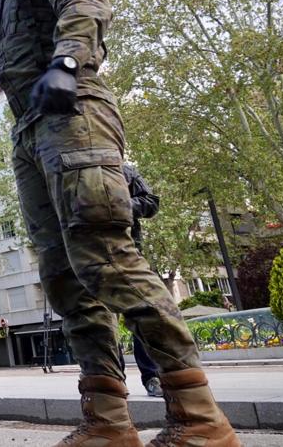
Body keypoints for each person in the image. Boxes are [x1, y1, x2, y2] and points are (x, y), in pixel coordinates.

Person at [0, 0, 238, 447]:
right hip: (30, 134)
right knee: (64, 276)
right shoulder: (5, 6)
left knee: (104, 256)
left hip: (74, 113)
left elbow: (84, 2)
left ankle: (200, 419)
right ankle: (108, 422)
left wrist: (67, 63)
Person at [118, 163, 163, 398]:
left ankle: (152, 377)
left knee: (143, 315)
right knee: (101, 322)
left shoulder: (126, 171)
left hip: (129, 252)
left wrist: (119, 205)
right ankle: (113, 382)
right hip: (89, 256)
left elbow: (150, 203)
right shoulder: (75, 171)